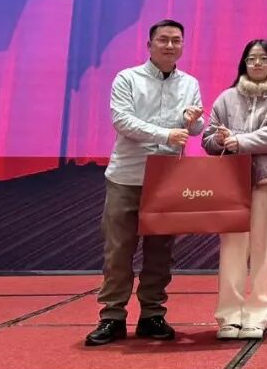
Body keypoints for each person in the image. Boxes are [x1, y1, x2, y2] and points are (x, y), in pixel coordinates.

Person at [85, 19, 204, 347]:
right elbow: (122, 121)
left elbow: (195, 128)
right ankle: (112, 317)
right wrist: (165, 134)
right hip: (127, 177)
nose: (170, 45)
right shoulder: (127, 78)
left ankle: (152, 313)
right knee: (118, 249)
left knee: (160, 252)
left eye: (176, 40)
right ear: (149, 45)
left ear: (182, 46)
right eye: (163, 40)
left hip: (166, 179)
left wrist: (194, 121)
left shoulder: (189, 83)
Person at [202, 39, 267, 340]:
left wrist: (241, 141)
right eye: (251, 58)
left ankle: (257, 316)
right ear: (243, 63)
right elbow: (208, 138)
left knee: (264, 251)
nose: (257, 64)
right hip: (233, 184)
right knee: (231, 250)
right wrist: (219, 140)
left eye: (263, 59)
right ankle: (229, 317)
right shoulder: (227, 98)